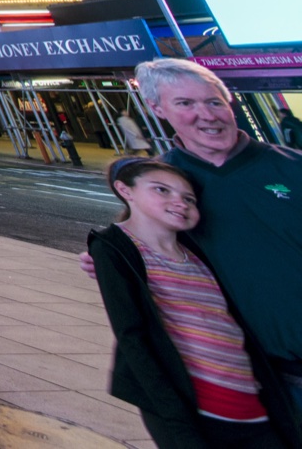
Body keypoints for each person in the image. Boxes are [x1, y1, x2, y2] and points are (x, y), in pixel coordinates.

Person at [83, 58, 302, 421]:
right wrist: (108, 260)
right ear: (157, 108)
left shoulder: (291, 167)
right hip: (263, 382)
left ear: (229, 100)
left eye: (214, 101)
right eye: (185, 104)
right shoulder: (165, 187)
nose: (207, 115)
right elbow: (140, 247)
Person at [90, 158, 298, 449]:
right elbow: (132, 337)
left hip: (250, 404)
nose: (180, 202)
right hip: (193, 407)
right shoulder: (115, 247)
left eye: (189, 198)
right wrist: (173, 416)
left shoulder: (198, 251)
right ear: (125, 190)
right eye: (161, 190)